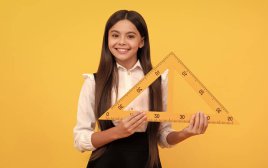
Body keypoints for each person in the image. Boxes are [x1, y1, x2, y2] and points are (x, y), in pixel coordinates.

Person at [73, 10, 208, 168]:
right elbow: (80, 139)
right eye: (115, 35)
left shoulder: (158, 81)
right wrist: (117, 132)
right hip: (105, 163)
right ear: (107, 39)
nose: (122, 42)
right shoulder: (94, 82)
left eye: (130, 36)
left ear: (141, 41)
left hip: (146, 162)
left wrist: (186, 133)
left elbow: (163, 135)